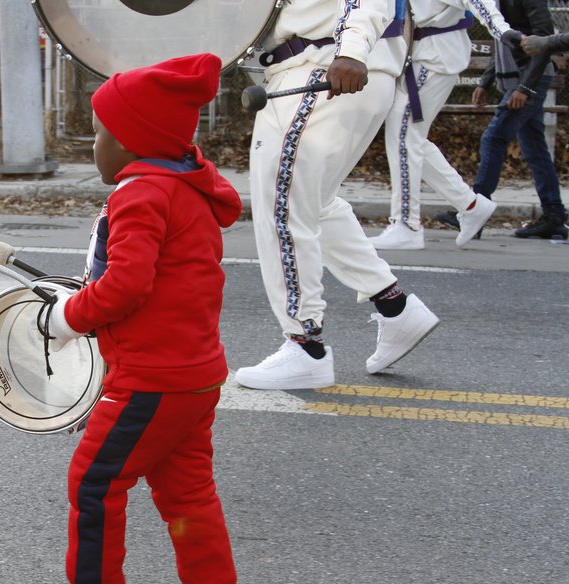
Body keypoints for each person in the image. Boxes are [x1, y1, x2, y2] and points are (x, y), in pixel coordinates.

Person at [16, 53, 241, 584]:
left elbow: (126, 285)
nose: (94, 144)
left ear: (133, 138)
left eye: (98, 131)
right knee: (187, 489)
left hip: (150, 378)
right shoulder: (187, 188)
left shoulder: (142, 192)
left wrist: (67, 315)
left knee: (94, 482)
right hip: (195, 375)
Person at [235, 0, 440, 391]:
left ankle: (305, 345)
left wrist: (352, 49)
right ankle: (394, 306)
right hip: (318, 63)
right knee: (312, 202)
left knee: (283, 203)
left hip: (327, 62)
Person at [373, 1, 516, 250]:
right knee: (409, 138)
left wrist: (502, 31)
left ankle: (407, 225)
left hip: (433, 56)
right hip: (425, 54)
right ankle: (470, 205)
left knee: (405, 137)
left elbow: (479, 2)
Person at [469, 0, 568, 241]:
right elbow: (504, 43)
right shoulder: (496, 2)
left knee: (493, 137)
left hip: (529, 80)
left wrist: (525, 88)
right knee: (535, 149)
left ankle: (474, 211)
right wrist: (485, 80)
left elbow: (543, 39)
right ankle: (554, 215)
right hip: (521, 81)